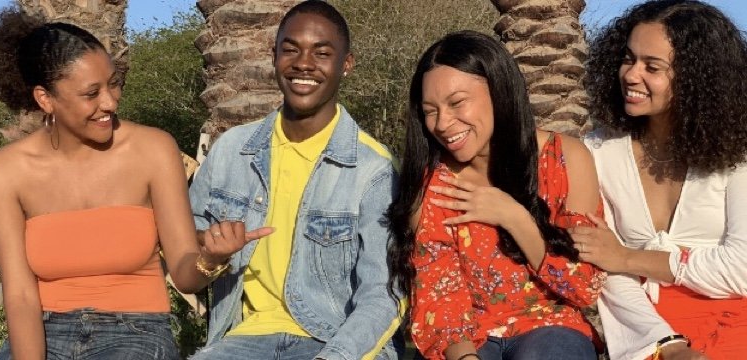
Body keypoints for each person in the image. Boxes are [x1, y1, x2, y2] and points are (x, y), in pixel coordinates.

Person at [0, 6, 257, 359]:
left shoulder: (153, 149)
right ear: (45, 99)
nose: (110, 102)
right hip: (42, 329)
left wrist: (211, 258)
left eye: (113, 83)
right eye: (91, 93)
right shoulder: (3, 171)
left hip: (135, 331)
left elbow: (186, 275)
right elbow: (19, 296)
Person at [187, 1, 402, 359]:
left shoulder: (373, 168)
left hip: (336, 340)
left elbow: (384, 294)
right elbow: (188, 246)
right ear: (274, 56)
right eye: (291, 49)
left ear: (346, 64)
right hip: (242, 340)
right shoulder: (231, 151)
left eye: (322, 53)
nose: (303, 63)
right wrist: (212, 254)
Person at [387, 30, 605, 360]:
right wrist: (465, 357)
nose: (443, 124)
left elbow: (583, 286)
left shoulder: (565, 159)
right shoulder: (431, 185)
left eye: (457, 103)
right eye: (430, 110)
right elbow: (438, 296)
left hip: (551, 328)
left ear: (499, 91)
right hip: (465, 339)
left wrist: (515, 217)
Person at [574, 1, 747, 359]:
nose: (631, 75)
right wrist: (666, 345)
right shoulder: (598, 152)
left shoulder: (739, 154)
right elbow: (601, 266)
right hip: (646, 333)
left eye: (651, 66)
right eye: (627, 59)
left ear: (696, 77)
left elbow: (742, 268)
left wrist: (628, 257)